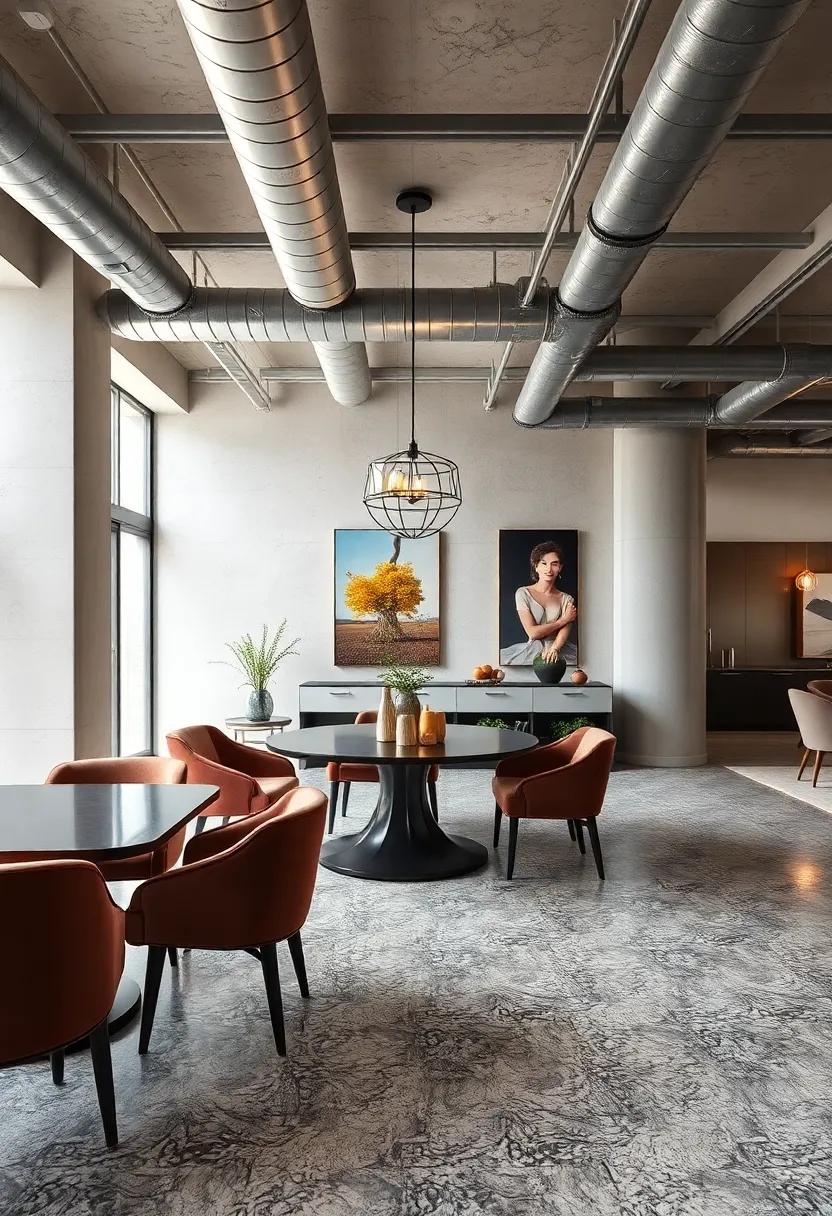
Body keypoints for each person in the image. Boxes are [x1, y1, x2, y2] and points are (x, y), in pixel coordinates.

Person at [500, 541, 577, 666]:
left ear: (560, 568)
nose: (549, 569)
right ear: (536, 566)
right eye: (544, 563)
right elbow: (532, 633)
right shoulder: (523, 593)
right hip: (532, 650)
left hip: (559, 649)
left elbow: (564, 632)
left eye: (554, 564)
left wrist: (554, 649)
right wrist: (563, 620)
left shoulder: (567, 599)